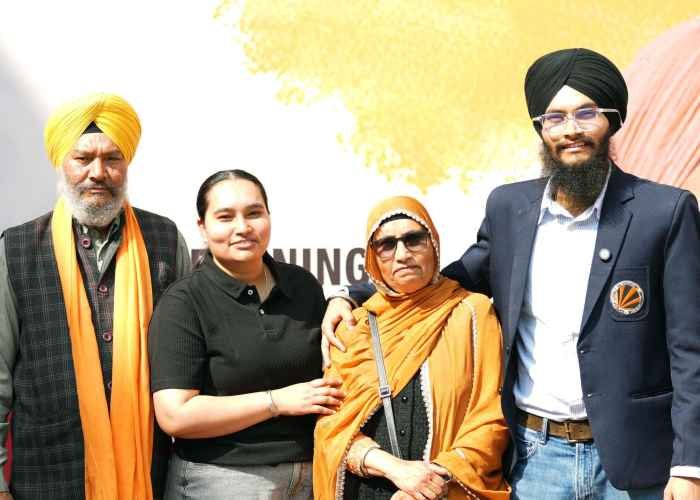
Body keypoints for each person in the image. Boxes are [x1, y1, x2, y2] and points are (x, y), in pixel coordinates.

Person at [322, 48, 700, 499]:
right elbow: (452, 280)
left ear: (613, 121)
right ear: (540, 128)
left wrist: (689, 466)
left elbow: (690, 349)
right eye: (555, 118)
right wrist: (351, 293)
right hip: (536, 459)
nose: (571, 130)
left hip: (638, 461)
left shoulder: (664, 211)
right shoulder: (510, 208)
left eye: (586, 114)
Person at [0, 93, 191, 500]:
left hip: (149, 476)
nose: (98, 173)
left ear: (127, 165)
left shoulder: (166, 240)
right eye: (83, 159)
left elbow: (193, 359)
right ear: (62, 164)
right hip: (47, 476)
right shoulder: (14, 249)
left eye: (112, 159)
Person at [148, 169, 344, 500]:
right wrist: (276, 402)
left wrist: (344, 298)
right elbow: (175, 415)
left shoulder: (302, 285)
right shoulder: (184, 301)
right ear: (202, 227)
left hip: (314, 473)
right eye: (225, 217)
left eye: (254, 213)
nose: (243, 227)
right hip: (222, 479)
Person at [313, 196, 509, 500]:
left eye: (414, 239)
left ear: (434, 245)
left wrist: (434, 479)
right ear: (372, 258)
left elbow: (492, 416)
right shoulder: (354, 325)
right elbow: (331, 424)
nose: (402, 254)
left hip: (443, 490)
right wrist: (394, 469)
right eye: (387, 245)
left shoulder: (472, 313)